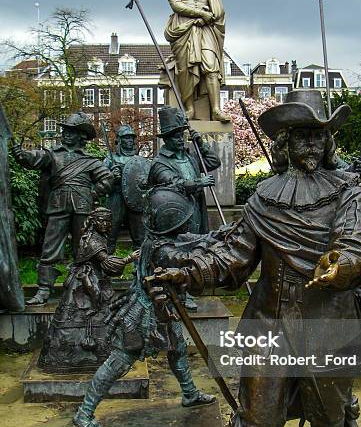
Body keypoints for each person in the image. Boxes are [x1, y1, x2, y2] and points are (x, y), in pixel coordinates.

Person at [153, 89, 361, 427]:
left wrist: (344, 265)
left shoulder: (348, 192)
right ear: (286, 144)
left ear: (328, 143)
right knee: (259, 417)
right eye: (303, 137)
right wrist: (188, 272)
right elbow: (233, 258)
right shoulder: (263, 200)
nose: (312, 146)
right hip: (268, 322)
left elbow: (357, 246)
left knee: (329, 412)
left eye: (319, 136)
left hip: (328, 320)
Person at [72, 186, 216, 427]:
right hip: (144, 315)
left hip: (164, 312)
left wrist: (217, 236)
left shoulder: (157, 240)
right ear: (171, 223)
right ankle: (84, 413)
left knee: (178, 349)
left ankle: (189, 393)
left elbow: (191, 240)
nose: (186, 226)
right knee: (119, 362)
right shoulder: (163, 251)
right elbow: (187, 253)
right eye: (182, 222)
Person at [12, 112, 114, 304]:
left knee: (84, 249)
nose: (66, 134)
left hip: (83, 208)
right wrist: (22, 155)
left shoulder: (90, 160)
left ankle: (86, 285)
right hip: (58, 206)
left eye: (71, 131)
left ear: (81, 136)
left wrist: (92, 193)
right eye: (65, 130)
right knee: (50, 247)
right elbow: (34, 158)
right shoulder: (53, 155)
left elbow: (107, 179)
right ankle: (44, 289)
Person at [38, 208, 138, 372]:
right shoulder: (93, 241)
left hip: (94, 276)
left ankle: (102, 354)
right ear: (93, 222)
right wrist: (129, 258)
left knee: (103, 314)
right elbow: (108, 263)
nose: (105, 224)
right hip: (86, 279)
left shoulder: (97, 236)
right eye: (101, 221)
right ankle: (71, 358)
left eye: (108, 221)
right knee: (91, 307)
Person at [149, 106, 221, 310]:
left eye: (182, 134)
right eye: (175, 136)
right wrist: (198, 183)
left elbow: (214, 161)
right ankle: (175, 292)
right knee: (176, 252)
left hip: (195, 210)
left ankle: (187, 289)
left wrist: (200, 143)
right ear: (166, 139)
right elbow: (172, 182)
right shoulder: (160, 163)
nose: (180, 139)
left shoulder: (190, 156)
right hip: (175, 216)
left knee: (193, 250)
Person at [162, 0, 229, 121]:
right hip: (183, 29)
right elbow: (176, 5)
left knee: (211, 65)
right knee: (185, 69)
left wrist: (208, 17)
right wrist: (200, 13)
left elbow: (218, 6)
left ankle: (215, 110)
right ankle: (189, 109)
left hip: (206, 26)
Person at [104, 125, 150, 254]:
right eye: (126, 138)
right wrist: (112, 176)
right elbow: (102, 180)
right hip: (116, 198)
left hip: (136, 200)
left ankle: (140, 268)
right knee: (110, 234)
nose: (130, 141)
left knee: (140, 237)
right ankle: (106, 266)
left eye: (131, 138)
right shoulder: (110, 159)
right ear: (119, 140)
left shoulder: (140, 161)